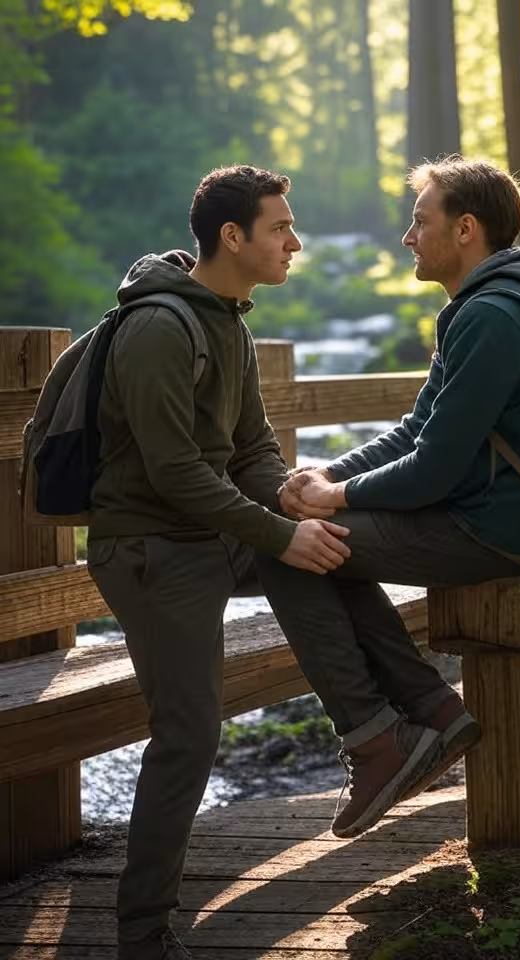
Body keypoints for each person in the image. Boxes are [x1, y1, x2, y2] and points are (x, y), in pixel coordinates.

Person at [254, 155, 520, 840]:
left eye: (419, 221)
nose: (407, 237)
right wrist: (327, 478)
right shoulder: (481, 308)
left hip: (491, 529)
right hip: (486, 515)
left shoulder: (494, 318)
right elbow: (415, 429)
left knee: (286, 551)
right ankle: (432, 710)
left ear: (464, 230)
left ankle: (377, 741)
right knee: (318, 542)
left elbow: (432, 469)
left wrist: (332, 500)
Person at [86, 165, 353, 960]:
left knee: (348, 548)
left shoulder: (229, 323)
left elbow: (251, 451)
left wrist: (296, 494)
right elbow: (173, 472)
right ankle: (142, 932)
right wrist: (277, 535)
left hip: (202, 536)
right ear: (231, 237)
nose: (294, 242)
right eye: (280, 228)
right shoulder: (161, 329)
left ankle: (384, 734)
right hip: (150, 549)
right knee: (189, 733)